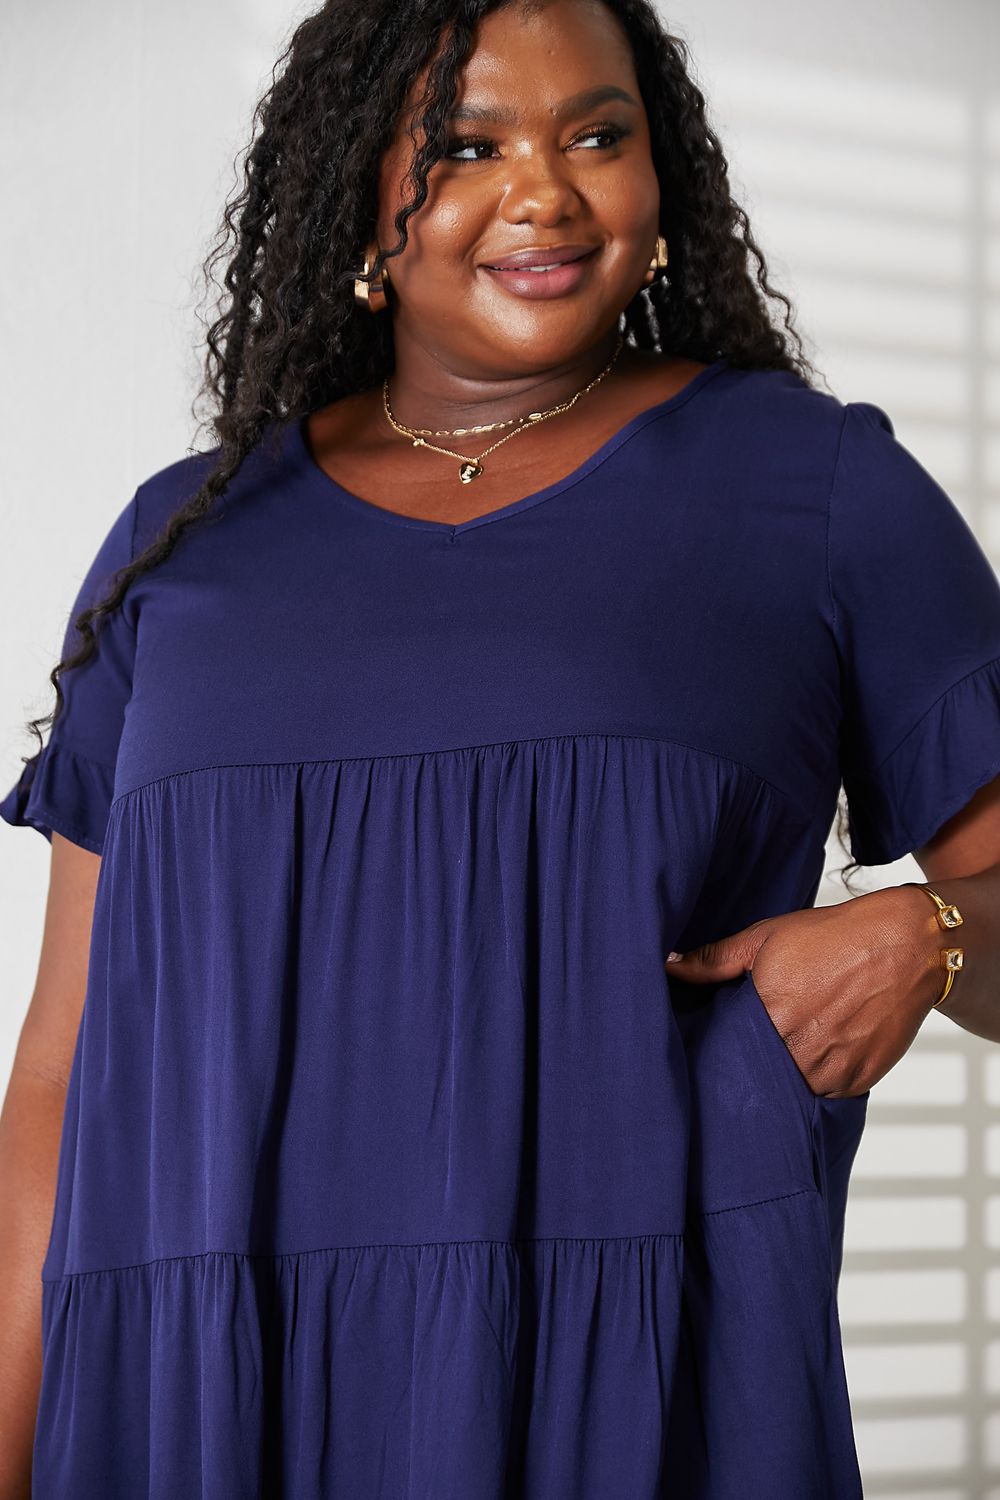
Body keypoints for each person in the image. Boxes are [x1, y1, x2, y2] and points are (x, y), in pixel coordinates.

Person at [2, 0, 1000, 1495]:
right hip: (196, 1416)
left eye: (597, 133)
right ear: (359, 189)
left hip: (633, 1403)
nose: (545, 188)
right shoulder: (182, 545)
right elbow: (63, 1086)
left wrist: (917, 931)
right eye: (466, 146)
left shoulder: (816, 489)